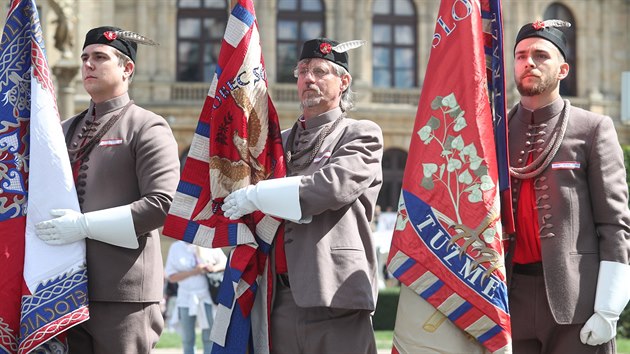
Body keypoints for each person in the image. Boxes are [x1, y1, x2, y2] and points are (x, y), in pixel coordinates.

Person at [221, 37, 383, 353]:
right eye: (303, 71)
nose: (309, 79)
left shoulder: (360, 133)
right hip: (278, 299)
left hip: (335, 296)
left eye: (321, 71)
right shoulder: (276, 144)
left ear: (344, 82)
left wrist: (258, 195)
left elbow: (332, 186)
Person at [35, 26, 180, 353]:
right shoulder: (66, 129)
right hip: (65, 288)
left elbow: (162, 204)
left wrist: (85, 226)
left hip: (123, 294)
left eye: (100, 58)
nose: (88, 64)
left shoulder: (147, 126)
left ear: (127, 69)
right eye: (85, 57)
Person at [507, 19, 630, 354]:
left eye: (540, 55)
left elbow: (614, 223)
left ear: (562, 69)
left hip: (577, 302)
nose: (528, 62)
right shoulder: (495, 131)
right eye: (520, 56)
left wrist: (608, 305)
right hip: (509, 298)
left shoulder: (593, 128)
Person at [164, 241, 227, 354]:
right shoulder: (176, 247)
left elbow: (225, 263)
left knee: (209, 336)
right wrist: (194, 272)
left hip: (207, 297)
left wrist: (212, 268)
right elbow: (171, 277)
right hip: (185, 298)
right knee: (187, 338)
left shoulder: (208, 242)